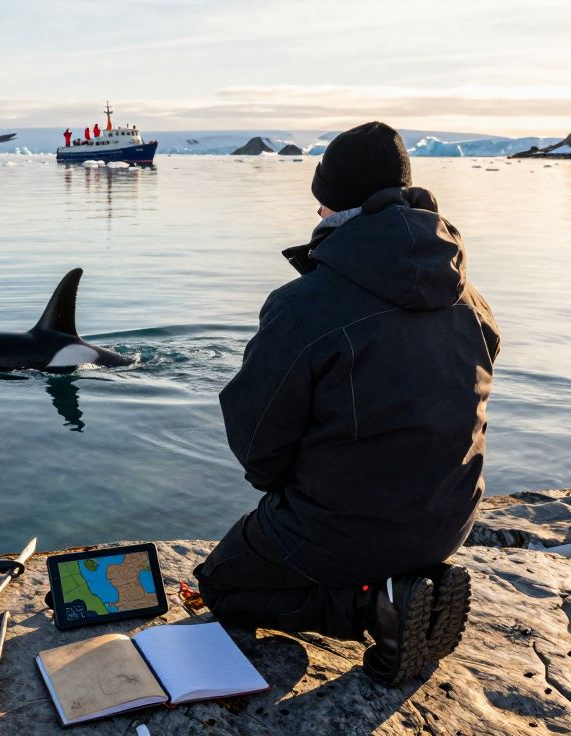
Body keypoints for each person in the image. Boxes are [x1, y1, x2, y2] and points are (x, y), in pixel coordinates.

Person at [194, 121, 500, 686]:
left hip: (344, 527)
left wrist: (285, 498)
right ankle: (402, 584)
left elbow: (259, 444)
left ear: (325, 204)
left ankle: (377, 608)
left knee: (222, 583)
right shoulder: (466, 293)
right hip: (451, 516)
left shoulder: (304, 304)